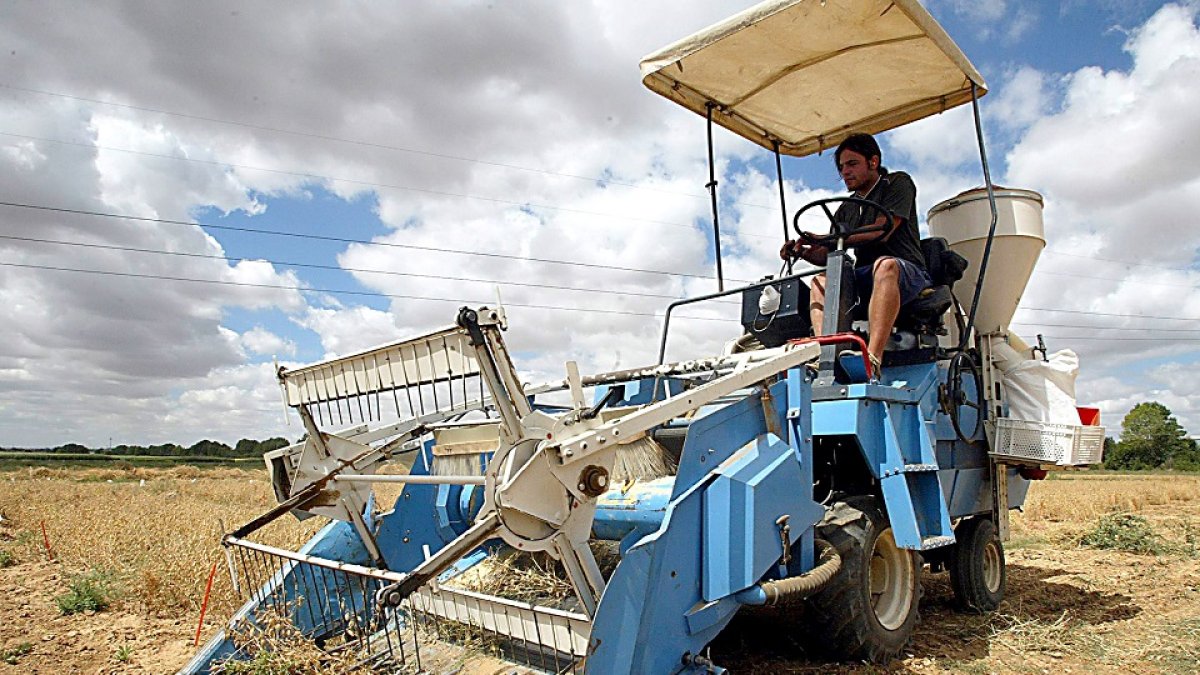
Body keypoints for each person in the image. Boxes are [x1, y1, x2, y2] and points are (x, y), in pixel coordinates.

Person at [780, 132, 930, 376]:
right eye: (841, 168)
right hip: (865, 277)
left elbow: (883, 230)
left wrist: (826, 238)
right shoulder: (846, 208)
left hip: (906, 272)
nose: (845, 172)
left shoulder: (897, 183)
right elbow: (828, 254)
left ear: (873, 162)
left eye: (852, 164)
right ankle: (826, 359)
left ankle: (872, 358)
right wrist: (803, 251)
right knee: (820, 281)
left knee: (885, 265)